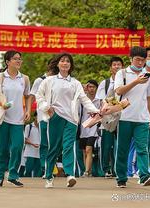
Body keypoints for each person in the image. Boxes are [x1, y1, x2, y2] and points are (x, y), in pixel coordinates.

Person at [36, 53, 100, 188]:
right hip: (55, 117)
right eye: (62, 61)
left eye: (67, 62)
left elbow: (84, 99)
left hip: (71, 119)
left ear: (70, 65)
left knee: (68, 146)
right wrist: (47, 108)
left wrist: (95, 110)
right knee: (53, 148)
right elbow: (39, 96)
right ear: (58, 64)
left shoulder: (75, 83)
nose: (65, 63)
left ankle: (70, 174)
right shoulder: (49, 80)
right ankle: (48, 176)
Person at [0, 50, 31, 187]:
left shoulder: (24, 79)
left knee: (17, 146)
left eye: (20, 59)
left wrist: (28, 110)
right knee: (2, 148)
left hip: (18, 119)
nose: (18, 61)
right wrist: (1, 104)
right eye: (15, 59)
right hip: (2, 118)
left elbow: (28, 96)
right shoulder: (0, 77)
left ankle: (12, 175)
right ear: (7, 62)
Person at [114, 46, 150, 188]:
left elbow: (149, 98)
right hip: (125, 117)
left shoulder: (148, 75)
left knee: (142, 148)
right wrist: (136, 81)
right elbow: (119, 90)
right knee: (122, 149)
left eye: (142, 60)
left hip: (142, 119)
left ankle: (145, 176)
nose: (140, 63)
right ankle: (121, 177)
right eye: (137, 59)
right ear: (131, 59)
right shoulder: (122, 73)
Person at [95, 57, 123, 178]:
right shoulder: (105, 83)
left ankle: (118, 169)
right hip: (108, 119)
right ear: (110, 68)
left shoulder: (126, 82)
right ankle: (106, 169)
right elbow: (101, 101)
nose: (117, 67)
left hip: (122, 118)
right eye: (114, 64)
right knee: (106, 145)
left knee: (120, 145)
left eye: (119, 65)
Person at [29, 58, 58, 175]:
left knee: (55, 144)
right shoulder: (39, 80)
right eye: (53, 65)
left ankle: (51, 165)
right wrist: (27, 111)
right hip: (43, 116)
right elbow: (31, 96)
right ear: (48, 66)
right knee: (45, 143)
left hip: (57, 117)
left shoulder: (60, 80)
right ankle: (45, 168)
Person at [79, 80, 101, 177]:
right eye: (89, 87)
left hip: (94, 128)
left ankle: (87, 171)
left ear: (96, 88)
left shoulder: (100, 100)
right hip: (83, 128)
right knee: (84, 151)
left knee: (89, 149)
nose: (91, 89)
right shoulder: (82, 100)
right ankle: (88, 171)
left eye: (93, 87)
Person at [23, 113, 42, 177]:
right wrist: (33, 144)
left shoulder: (42, 127)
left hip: (39, 153)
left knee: (38, 172)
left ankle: (36, 186)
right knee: (28, 170)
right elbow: (24, 140)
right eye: (38, 116)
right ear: (34, 117)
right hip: (30, 153)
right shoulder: (29, 126)